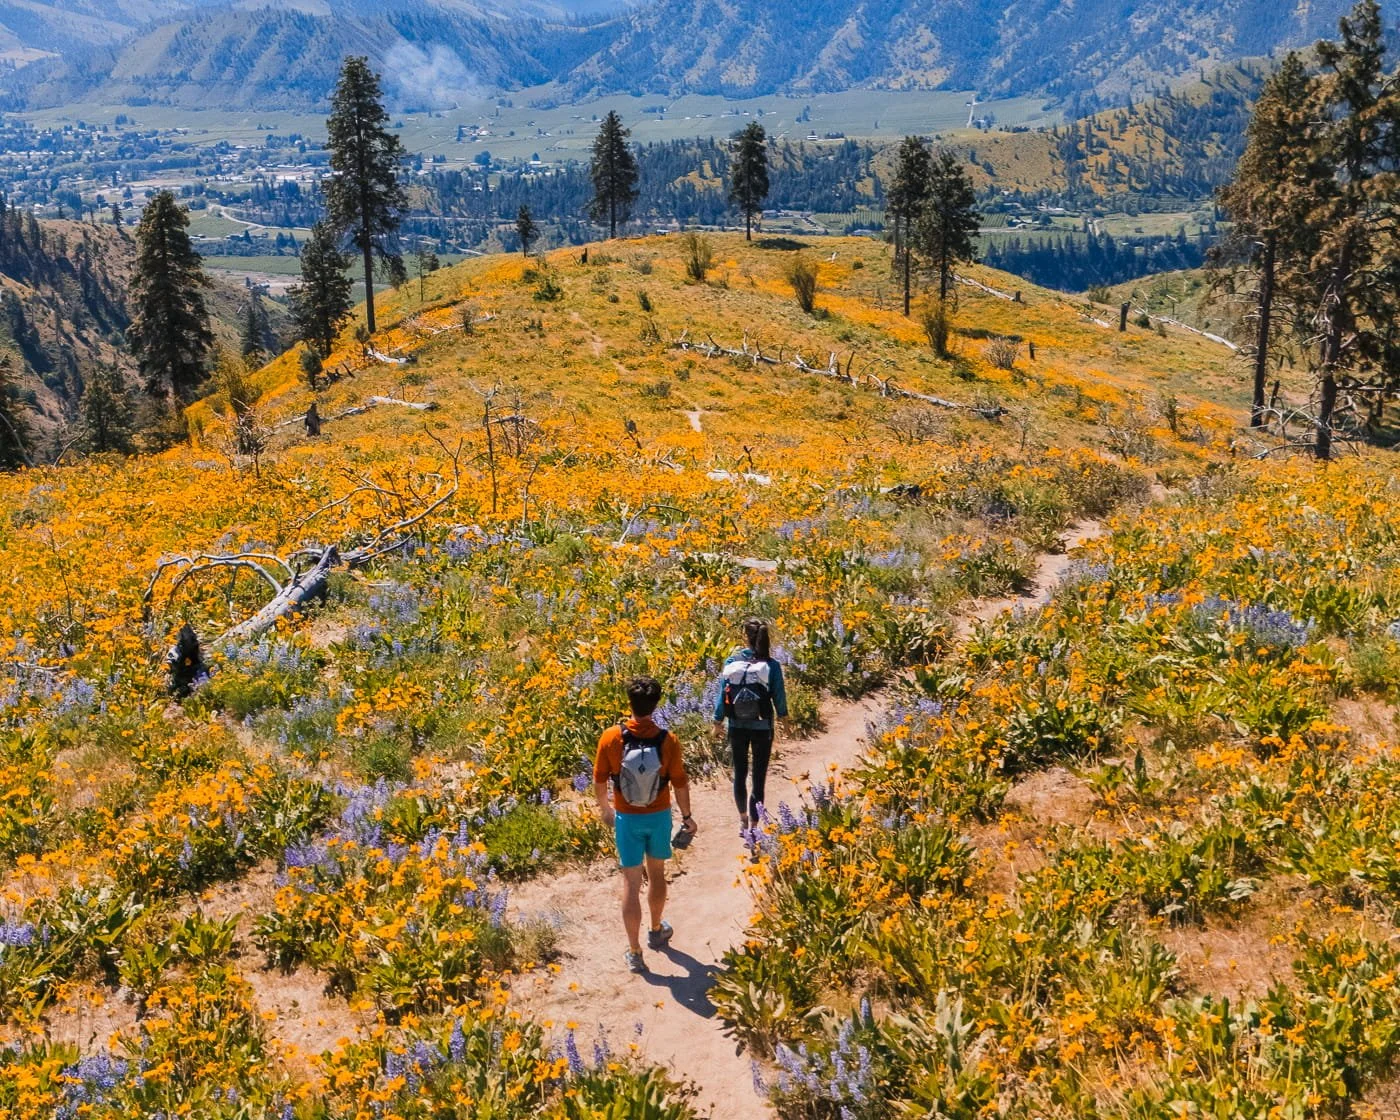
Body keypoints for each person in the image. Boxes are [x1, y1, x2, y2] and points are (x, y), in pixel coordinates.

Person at [594, 676, 697, 973]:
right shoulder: (668, 740)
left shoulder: (611, 737)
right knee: (657, 874)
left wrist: (605, 810)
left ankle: (635, 951)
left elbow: (599, 781)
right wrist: (687, 817)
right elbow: (680, 783)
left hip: (627, 818)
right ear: (655, 705)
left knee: (630, 882)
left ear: (630, 703)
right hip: (659, 815)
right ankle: (655, 930)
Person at [713, 619, 788, 835]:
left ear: (745, 636)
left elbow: (722, 697)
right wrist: (784, 719)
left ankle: (742, 819)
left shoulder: (731, 662)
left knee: (740, 773)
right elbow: (778, 696)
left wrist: (717, 723)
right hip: (762, 726)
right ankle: (755, 825)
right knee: (758, 777)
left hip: (736, 725)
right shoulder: (771, 665)